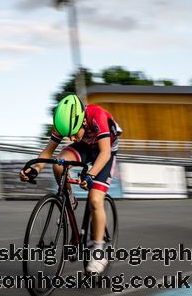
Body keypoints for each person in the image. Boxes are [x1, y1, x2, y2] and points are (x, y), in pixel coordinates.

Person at [19, 94, 122, 274]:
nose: (72, 138)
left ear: (83, 122)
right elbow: (47, 152)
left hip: (104, 150)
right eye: (68, 135)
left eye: (74, 133)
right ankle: (69, 199)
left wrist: (90, 175)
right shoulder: (64, 123)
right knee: (59, 164)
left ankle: (98, 249)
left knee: (96, 199)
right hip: (85, 148)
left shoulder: (97, 115)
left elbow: (104, 153)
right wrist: (35, 169)